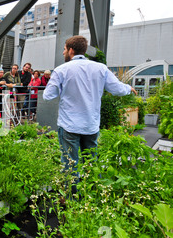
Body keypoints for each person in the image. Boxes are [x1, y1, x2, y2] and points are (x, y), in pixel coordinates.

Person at [43, 35, 138, 196]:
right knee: (91, 161)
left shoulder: (62, 70)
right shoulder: (100, 68)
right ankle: (93, 195)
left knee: (69, 163)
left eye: (65, 49)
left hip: (69, 126)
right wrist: (129, 88)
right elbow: (116, 88)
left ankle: (71, 199)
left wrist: (63, 88)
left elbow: (48, 95)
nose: (63, 52)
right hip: (90, 125)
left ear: (71, 50)